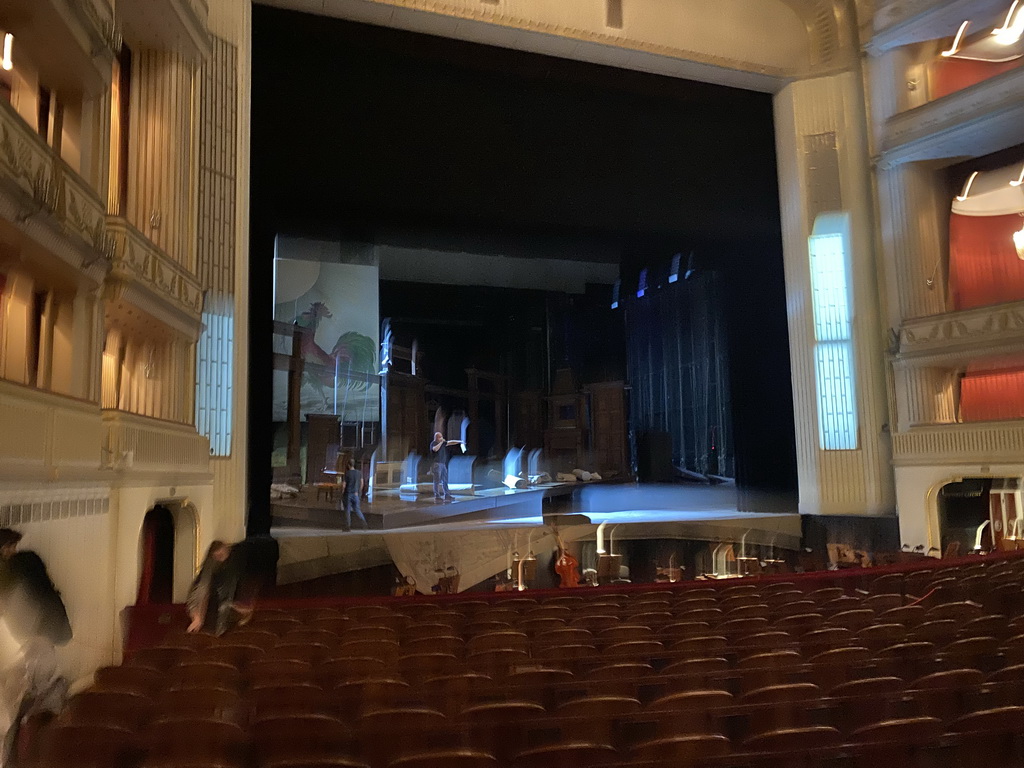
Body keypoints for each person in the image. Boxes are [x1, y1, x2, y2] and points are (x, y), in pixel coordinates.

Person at [186, 541, 244, 636]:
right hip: (210, 614)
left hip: (229, 618)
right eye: (217, 557)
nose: (220, 560)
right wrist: (196, 615)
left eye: (222, 556)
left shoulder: (234, 568)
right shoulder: (208, 570)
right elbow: (199, 592)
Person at [342, 459, 367, 530]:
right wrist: (358, 492)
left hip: (348, 494)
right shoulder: (359, 473)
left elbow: (344, 485)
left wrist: (342, 492)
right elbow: (362, 483)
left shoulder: (347, 473)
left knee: (347, 510)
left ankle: (348, 527)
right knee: (357, 509)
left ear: (348, 465)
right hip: (355, 494)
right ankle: (364, 523)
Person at [431, 431, 454, 501]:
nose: (442, 438)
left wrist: (460, 441)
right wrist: (441, 443)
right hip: (437, 464)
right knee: (437, 481)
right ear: (436, 438)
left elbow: (450, 442)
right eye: (440, 437)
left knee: (445, 480)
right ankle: (437, 496)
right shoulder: (433, 443)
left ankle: (447, 494)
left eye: (442, 436)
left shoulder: (443, 444)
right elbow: (435, 449)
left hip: (443, 464)